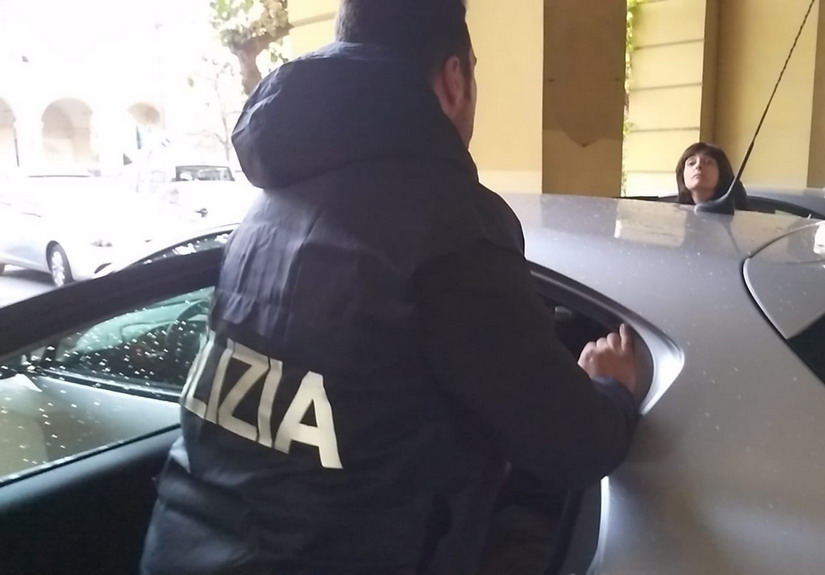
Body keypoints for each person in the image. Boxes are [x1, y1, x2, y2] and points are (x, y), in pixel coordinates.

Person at [139, 1, 640, 574]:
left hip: (178, 548)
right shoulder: (449, 225)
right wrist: (611, 388)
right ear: (455, 78)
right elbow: (573, 445)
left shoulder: (267, 208)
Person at [674, 142, 750, 210]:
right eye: (691, 163)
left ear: (722, 172)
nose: (698, 166)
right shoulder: (673, 214)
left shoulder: (740, 216)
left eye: (708, 162)